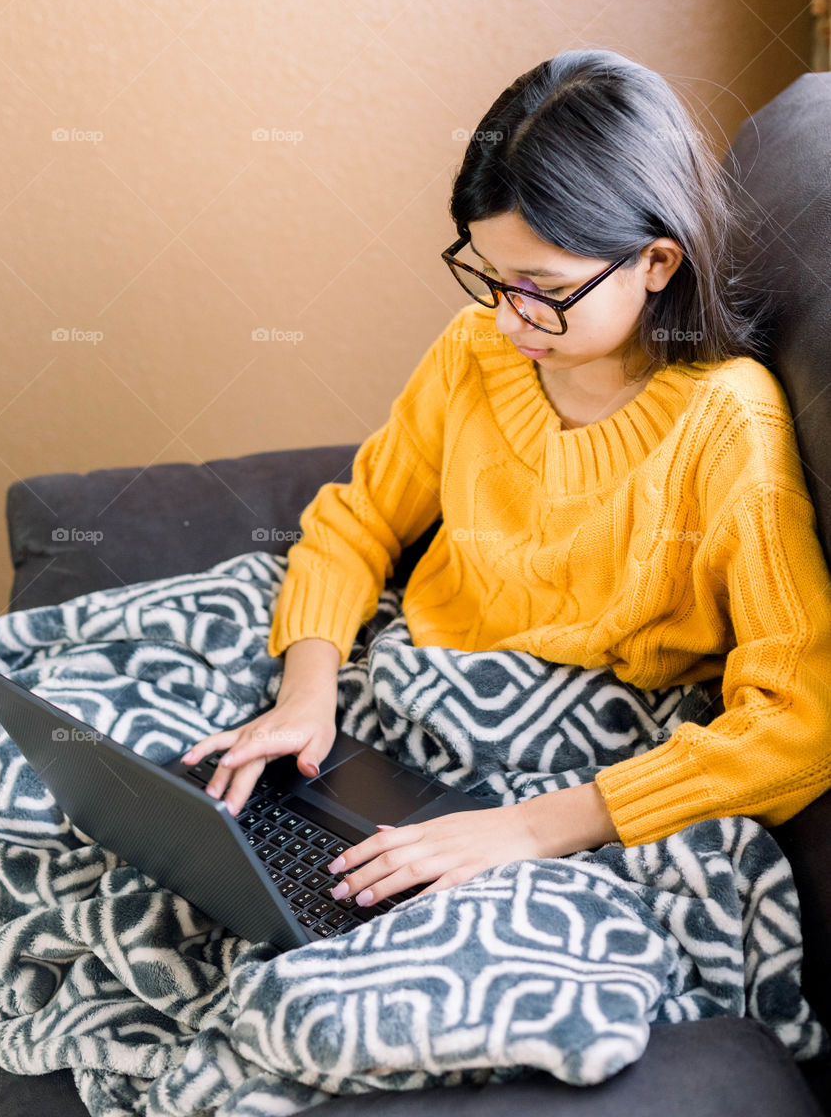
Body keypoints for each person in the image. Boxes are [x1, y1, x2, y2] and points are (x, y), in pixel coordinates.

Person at [181, 48, 831, 914]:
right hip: (406, 686)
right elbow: (357, 518)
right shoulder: (475, 350)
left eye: (543, 288)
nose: (508, 315)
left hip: (572, 766)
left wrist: (524, 829)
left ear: (657, 263)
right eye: (490, 275)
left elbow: (798, 723)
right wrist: (306, 697)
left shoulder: (727, 426)